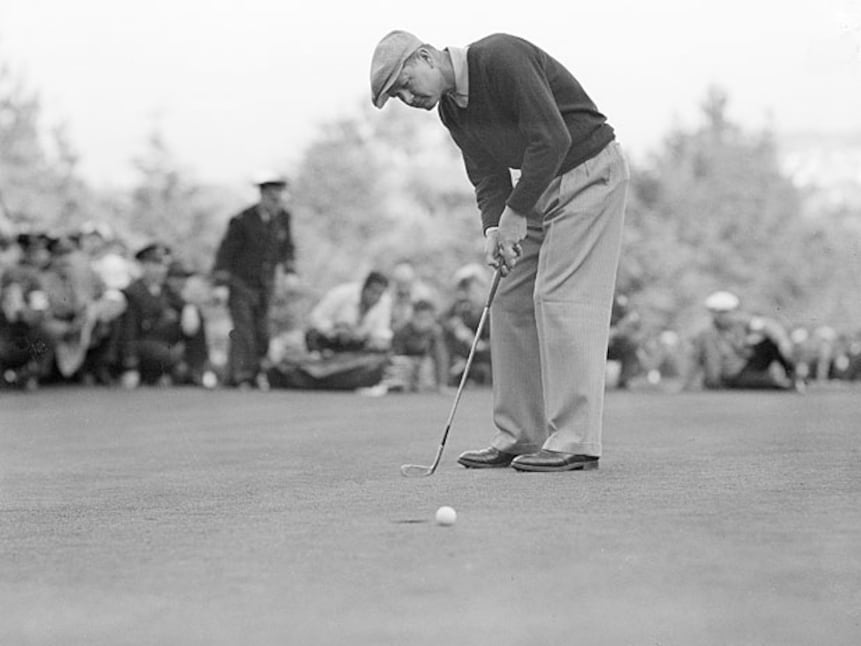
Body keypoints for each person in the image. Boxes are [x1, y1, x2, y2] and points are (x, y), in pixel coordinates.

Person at [371, 31, 629, 472]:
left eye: (405, 81)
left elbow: (552, 138)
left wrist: (514, 214)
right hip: (539, 186)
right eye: (397, 94)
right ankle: (520, 434)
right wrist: (495, 227)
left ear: (426, 56)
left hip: (589, 172)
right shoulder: (453, 110)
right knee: (508, 297)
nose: (407, 96)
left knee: (559, 297)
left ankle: (575, 441)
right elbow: (488, 176)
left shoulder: (500, 57)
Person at [212, 173, 297, 389]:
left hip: (265, 284)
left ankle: (254, 371)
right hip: (240, 283)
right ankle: (242, 376)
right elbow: (225, 253)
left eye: (279, 198)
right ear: (263, 196)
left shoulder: (283, 219)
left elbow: (287, 247)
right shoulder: (242, 221)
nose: (276, 203)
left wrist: (290, 271)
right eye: (272, 198)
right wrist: (220, 284)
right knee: (243, 331)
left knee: (263, 331)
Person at [117, 244, 208, 387]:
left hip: (166, 344)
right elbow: (129, 333)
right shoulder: (133, 293)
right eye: (155, 264)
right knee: (169, 354)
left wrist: (189, 308)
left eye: (163, 265)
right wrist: (130, 367)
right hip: (144, 346)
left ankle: (195, 371)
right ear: (143, 265)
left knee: (195, 316)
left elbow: (186, 310)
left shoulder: (168, 292)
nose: (160, 270)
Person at [686, 290, 800, 391]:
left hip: (747, 363)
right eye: (718, 312)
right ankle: (784, 386)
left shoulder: (742, 323)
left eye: (726, 311)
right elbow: (697, 361)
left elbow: (769, 325)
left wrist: (783, 341)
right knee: (766, 384)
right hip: (731, 376)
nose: (722, 316)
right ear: (713, 313)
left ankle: (794, 377)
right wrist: (689, 384)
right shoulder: (706, 334)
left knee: (770, 344)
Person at [305, 271, 392, 354]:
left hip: (353, 347)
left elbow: (381, 331)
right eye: (373, 292)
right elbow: (315, 317)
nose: (375, 297)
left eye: (379, 294)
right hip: (327, 339)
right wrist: (335, 328)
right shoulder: (342, 293)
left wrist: (377, 340)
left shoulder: (384, 302)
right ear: (364, 288)